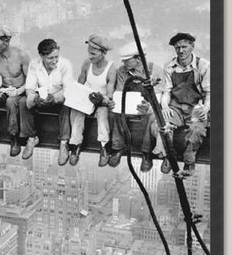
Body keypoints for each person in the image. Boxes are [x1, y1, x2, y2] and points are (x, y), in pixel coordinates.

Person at [157, 32, 211, 174]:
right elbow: (166, 91)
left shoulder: (203, 65)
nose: (181, 51)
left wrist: (206, 107)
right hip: (176, 107)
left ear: (192, 47)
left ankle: (189, 160)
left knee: (197, 128)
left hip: (195, 107)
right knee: (164, 124)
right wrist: (165, 107)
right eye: (177, 48)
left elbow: (208, 92)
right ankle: (169, 156)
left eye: (184, 47)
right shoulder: (170, 66)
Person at [105, 41, 164, 168]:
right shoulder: (122, 71)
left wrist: (148, 107)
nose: (124, 63)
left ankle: (146, 153)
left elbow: (158, 96)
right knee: (115, 113)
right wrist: (116, 103)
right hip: (129, 103)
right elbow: (120, 92)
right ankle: (118, 147)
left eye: (127, 60)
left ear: (138, 58)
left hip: (148, 105)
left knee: (152, 117)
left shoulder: (155, 70)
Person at [24, 38, 74, 164]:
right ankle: (32, 137)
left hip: (59, 99)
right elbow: (30, 87)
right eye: (50, 58)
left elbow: (68, 89)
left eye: (56, 57)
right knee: (23, 103)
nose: (54, 61)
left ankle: (64, 142)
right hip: (41, 98)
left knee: (67, 104)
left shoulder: (65, 64)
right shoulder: (34, 64)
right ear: (41, 56)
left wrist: (55, 97)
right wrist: (35, 98)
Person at [0, 27, 30, 157]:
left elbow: (31, 82)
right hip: (4, 88)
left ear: (6, 41)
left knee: (11, 102)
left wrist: (18, 91)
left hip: (20, 91)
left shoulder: (22, 55)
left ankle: (14, 138)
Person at [77, 34, 116, 167]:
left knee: (103, 114)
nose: (90, 56)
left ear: (103, 53)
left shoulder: (111, 68)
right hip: (86, 98)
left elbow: (110, 93)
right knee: (76, 112)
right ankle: (76, 144)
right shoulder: (87, 63)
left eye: (93, 53)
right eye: (89, 53)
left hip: (101, 100)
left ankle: (104, 146)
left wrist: (103, 99)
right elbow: (80, 84)